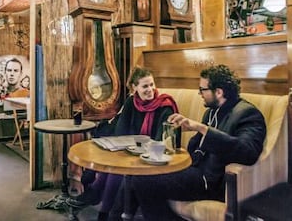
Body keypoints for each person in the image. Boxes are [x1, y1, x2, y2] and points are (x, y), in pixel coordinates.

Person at [110, 64, 266, 221]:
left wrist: (201, 128)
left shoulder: (247, 114)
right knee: (138, 175)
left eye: (202, 90)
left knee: (141, 179)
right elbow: (196, 147)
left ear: (218, 92)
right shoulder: (211, 111)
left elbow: (248, 152)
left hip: (209, 181)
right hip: (192, 171)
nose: (199, 94)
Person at [67, 66, 179, 220]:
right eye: (145, 86)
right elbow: (120, 132)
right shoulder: (131, 102)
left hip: (152, 158)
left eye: (152, 84)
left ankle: (102, 209)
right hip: (131, 151)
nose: (150, 89)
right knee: (112, 165)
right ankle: (101, 206)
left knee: (116, 170)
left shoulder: (164, 106)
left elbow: (162, 140)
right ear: (134, 88)